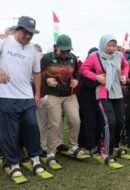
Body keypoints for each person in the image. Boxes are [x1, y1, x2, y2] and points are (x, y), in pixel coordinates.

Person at [0, 16, 44, 177]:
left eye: (31, 33)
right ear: (18, 29)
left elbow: (37, 73)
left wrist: (38, 93)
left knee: (32, 126)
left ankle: (35, 158)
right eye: (25, 32)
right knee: (10, 131)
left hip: (27, 96)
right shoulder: (5, 42)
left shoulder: (33, 50)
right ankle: (13, 163)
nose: (27, 36)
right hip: (6, 96)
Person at [80, 34, 128, 163]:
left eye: (113, 46)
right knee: (110, 121)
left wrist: (124, 76)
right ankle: (106, 151)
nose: (111, 48)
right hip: (103, 92)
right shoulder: (94, 56)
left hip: (117, 92)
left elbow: (126, 66)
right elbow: (83, 69)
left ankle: (115, 146)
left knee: (120, 121)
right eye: (109, 45)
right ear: (103, 44)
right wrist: (96, 77)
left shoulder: (119, 55)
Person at [41, 34, 83, 164]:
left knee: (75, 120)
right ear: (56, 47)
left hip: (69, 95)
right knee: (54, 123)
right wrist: (46, 79)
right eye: (63, 51)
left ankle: (73, 146)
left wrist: (76, 79)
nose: (65, 54)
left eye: (68, 51)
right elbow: (38, 74)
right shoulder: (47, 58)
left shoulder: (72, 58)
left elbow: (77, 72)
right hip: (53, 95)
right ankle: (51, 151)